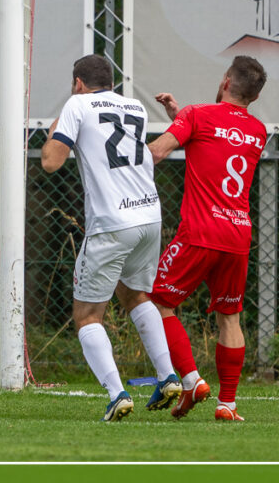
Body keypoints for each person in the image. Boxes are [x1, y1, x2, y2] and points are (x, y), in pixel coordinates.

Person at [41, 54, 180, 422]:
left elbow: (50, 161)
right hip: (149, 215)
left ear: (78, 83)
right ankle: (168, 376)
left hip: (113, 221)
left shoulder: (77, 104)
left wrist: (58, 126)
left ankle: (118, 394)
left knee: (87, 316)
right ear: (112, 83)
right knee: (135, 295)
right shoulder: (134, 106)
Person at [146, 56, 267, 422]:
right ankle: (227, 404)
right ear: (255, 96)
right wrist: (180, 118)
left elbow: (157, 152)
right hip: (237, 234)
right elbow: (218, 145)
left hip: (200, 232)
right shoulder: (258, 130)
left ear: (226, 81)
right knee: (230, 317)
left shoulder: (198, 115)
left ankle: (192, 379)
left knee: (157, 302)